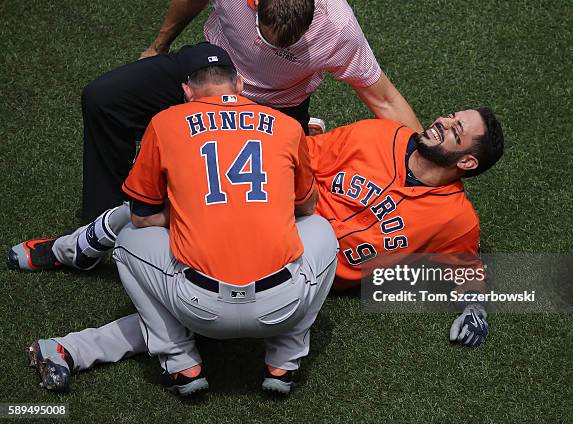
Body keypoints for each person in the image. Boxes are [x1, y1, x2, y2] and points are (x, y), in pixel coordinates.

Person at [13, 105, 503, 392]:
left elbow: (467, 264)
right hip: (270, 220)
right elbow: (298, 162)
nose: (440, 122)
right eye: (450, 115)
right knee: (162, 212)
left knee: (192, 301)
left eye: (455, 131)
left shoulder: (455, 217)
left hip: (307, 272)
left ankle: (71, 337)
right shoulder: (377, 136)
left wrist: (475, 306)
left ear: (468, 162)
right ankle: (73, 250)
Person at [26, 42, 339, 396]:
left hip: (198, 307)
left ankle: (181, 363)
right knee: (321, 229)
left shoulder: (165, 123)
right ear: (238, 85)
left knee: (128, 236)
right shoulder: (286, 126)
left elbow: (142, 217)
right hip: (281, 305)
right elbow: (307, 206)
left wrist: (187, 215)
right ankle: (283, 364)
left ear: (187, 91)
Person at [80, 0, 423, 222]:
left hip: (275, 106)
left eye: (288, 47)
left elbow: (386, 100)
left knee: (258, 213)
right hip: (211, 66)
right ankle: (100, 219)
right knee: (103, 98)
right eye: (267, 38)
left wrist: (429, 161)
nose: (270, 49)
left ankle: (301, 135)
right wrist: (159, 45)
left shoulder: (338, 28)